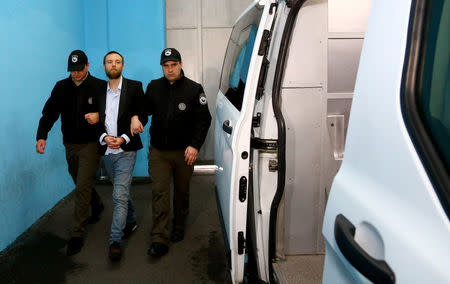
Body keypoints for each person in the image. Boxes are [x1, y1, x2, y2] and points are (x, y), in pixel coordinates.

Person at [131, 48, 211, 257]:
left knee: (182, 193)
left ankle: (179, 226)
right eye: (166, 66)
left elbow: (204, 120)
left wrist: (194, 145)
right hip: (159, 152)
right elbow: (145, 111)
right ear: (162, 67)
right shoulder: (154, 87)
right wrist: (137, 118)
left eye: (173, 65)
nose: (170, 69)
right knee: (160, 193)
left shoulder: (194, 89)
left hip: (184, 152)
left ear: (180, 64)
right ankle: (159, 238)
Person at [36, 50, 105, 256]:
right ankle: (97, 204)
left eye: (79, 69)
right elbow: (49, 113)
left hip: (91, 144)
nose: (75, 73)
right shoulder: (61, 87)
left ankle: (76, 233)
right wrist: (42, 135)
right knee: (79, 181)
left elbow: (112, 113)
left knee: (82, 185)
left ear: (87, 65)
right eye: (72, 70)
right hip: (70, 144)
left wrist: (99, 115)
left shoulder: (99, 86)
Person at [97, 51, 144, 261]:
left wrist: (124, 137)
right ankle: (131, 220)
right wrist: (105, 137)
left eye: (117, 62)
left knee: (118, 195)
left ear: (123, 66)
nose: (113, 65)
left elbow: (143, 115)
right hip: (106, 150)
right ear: (104, 66)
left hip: (126, 150)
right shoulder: (98, 90)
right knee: (121, 192)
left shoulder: (134, 87)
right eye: (109, 62)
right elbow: (94, 121)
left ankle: (115, 241)